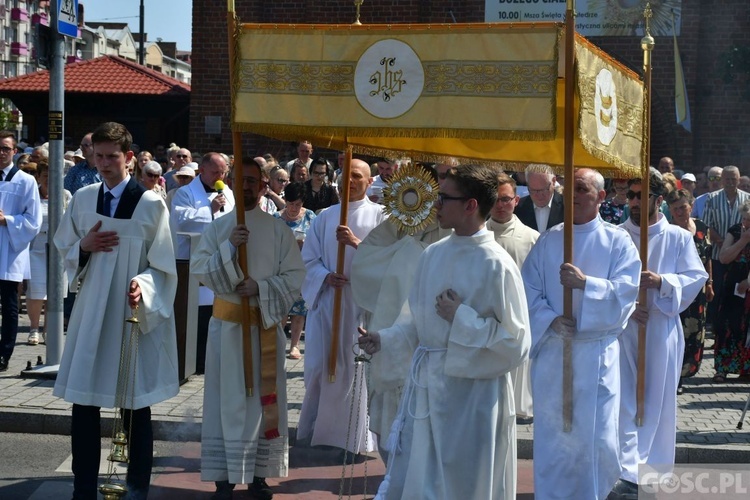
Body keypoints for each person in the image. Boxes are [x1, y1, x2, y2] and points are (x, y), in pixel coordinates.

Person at [357, 164, 530, 499]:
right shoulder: (433, 254)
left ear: (470, 205)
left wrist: (461, 317)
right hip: (428, 388)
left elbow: (516, 343)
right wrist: (385, 338)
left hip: (474, 398)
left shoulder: (496, 263)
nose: (434, 204)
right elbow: (415, 320)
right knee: (423, 484)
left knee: (465, 484)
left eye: (444, 198)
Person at [53, 121, 180, 499]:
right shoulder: (83, 198)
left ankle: (137, 485)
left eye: (112, 157)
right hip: (92, 312)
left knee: (135, 407)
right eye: (98, 156)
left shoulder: (150, 203)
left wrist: (143, 284)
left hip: (129, 314)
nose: (104, 164)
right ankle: (83, 487)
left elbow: (164, 265)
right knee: (84, 404)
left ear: (128, 157)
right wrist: (84, 246)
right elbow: (63, 250)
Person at [191, 157, 306, 500]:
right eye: (241, 179)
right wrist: (229, 247)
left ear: (264, 185)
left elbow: (295, 278)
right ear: (231, 180)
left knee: (262, 402)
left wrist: (261, 288)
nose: (247, 186)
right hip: (227, 331)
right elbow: (201, 271)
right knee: (225, 401)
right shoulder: (218, 228)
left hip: (264, 330)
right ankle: (223, 478)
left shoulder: (277, 230)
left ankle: (259, 475)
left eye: (254, 180)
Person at [522, 168, 640, 499]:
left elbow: (626, 292)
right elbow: (527, 289)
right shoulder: (549, 239)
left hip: (595, 353)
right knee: (554, 437)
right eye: (569, 188)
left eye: (582, 188)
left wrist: (587, 285)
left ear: (601, 197)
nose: (573, 195)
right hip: (555, 351)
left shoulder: (618, 242)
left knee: (597, 438)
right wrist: (549, 319)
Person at [615, 169, 707, 497]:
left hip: (660, 330)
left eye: (642, 196)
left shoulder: (678, 238)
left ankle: (651, 472)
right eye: (631, 196)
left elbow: (695, 277)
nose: (636, 202)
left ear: (657, 199)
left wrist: (662, 283)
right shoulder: (616, 236)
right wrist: (624, 307)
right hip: (623, 331)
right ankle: (623, 470)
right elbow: (602, 282)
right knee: (623, 400)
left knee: (656, 401)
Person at [350, 164, 450, 459]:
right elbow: (365, 264)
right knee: (386, 412)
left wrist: (412, 254)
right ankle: (391, 477)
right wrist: (406, 248)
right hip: (387, 333)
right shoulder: (390, 229)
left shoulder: (448, 231)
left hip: (429, 338)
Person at [297, 158, 384, 462]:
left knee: (355, 370)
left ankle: (353, 437)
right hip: (328, 301)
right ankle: (318, 431)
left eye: (357, 177)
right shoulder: (325, 217)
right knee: (322, 366)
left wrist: (356, 242)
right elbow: (308, 259)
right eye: (345, 176)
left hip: (360, 305)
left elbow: (389, 262)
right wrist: (324, 276)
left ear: (370, 181)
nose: (350, 182)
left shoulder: (380, 216)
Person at [171, 152, 235, 374]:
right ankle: (195, 361)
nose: (221, 176)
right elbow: (180, 219)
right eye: (216, 172)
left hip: (220, 260)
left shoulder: (226, 191)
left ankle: (212, 359)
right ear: (202, 171)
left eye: (223, 172)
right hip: (191, 262)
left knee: (215, 312)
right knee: (195, 315)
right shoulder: (185, 193)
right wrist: (210, 209)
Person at [486, 172, 539, 424]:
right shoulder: (476, 234)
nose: (500, 205)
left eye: (506, 199)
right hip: (484, 319)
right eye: (495, 199)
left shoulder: (532, 238)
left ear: (516, 201)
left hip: (519, 317)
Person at [0, 130, 42, 371]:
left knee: (9, 304)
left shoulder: (25, 181)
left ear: (14, 152)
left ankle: (4, 353)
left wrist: (8, 220)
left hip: (10, 249)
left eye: (6, 148)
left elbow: (33, 220)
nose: (2, 153)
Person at [666, 189, 713, 392]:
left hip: (699, 291)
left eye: (683, 207)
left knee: (696, 334)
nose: (679, 212)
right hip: (679, 290)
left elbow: (708, 256)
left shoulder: (702, 228)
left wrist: (710, 283)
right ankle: (676, 379)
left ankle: (686, 373)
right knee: (679, 335)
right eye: (675, 209)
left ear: (691, 206)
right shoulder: (669, 232)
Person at [26, 161, 72, 345]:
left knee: (57, 291)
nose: (49, 180)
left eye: (53, 176)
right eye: (45, 176)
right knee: (36, 290)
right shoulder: (32, 195)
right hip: (36, 246)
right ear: (38, 177)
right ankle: (34, 328)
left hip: (59, 247)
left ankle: (49, 330)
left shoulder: (65, 195)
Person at [703, 166, 749, 330]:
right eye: (727, 179)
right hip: (717, 253)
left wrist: (735, 246)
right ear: (722, 179)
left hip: (741, 257)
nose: (730, 182)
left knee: (735, 293)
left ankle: (735, 327)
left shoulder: (747, 199)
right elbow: (707, 225)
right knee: (718, 291)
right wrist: (724, 243)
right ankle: (715, 326)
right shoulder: (712, 198)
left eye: (733, 179)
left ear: (739, 179)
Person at [273, 182, 316, 360]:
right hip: (281, 269)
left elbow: (316, 242)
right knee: (282, 309)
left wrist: (305, 245)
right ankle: (278, 342)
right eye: (290, 204)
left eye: (297, 204)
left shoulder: (310, 217)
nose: (294, 208)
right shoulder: (276, 218)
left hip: (302, 268)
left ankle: (295, 345)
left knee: (299, 310)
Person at [714, 200, 750, 382]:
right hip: (732, 287)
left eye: (749, 219)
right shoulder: (735, 231)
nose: (746, 223)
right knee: (726, 325)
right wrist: (743, 241)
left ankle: (745, 368)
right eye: (744, 218)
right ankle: (722, 368)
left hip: (748, 286)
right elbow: (723, 258)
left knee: (746, 327)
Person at [514, 163, 564, 232]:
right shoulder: (517, 208)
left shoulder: (568, 207)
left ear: (554, 181)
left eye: (544, 189)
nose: (539, 195)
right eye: (533, 190)